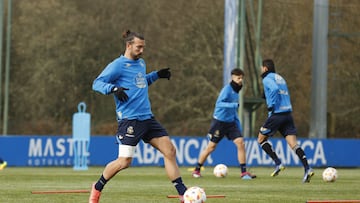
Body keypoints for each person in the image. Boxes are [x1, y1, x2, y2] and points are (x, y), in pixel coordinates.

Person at [89, 30, 187, 203]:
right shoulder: (118, 65)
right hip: (130, 120)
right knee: (124, 161)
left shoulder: (141, 63)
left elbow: (140, 82)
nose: (142, 50)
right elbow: (97, 83)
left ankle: (183, 194)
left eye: (143, 47)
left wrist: (157, 75)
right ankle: (97, 188)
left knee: (170, 151)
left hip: (147, 118)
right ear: (129, 45)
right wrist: (113, 89)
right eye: (139, 47)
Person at [192, 68, 256, 180]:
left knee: (240, 143)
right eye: (238, 78)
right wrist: (233, 106)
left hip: (231, 123)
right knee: (211, 147)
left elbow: (233, 111)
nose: (240, 80)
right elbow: (219, 104)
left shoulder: (237, 91)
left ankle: (244, 173)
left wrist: (238, 126)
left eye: (242, 78)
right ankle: (196, 170)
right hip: (219, 123)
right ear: (232, 78)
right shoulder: (227, 89)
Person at [257, 59, 314, 183]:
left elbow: (274, 90)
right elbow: (279, 91)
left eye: (262, 68)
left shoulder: (267, 79)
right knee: (293, 144)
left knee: (261, 139)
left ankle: (278, 163)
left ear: (265, 68)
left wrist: (271, 105)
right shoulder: (280, 78)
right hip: (287, 114)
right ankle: (307, 168)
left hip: (276, 114)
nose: (261, 70)